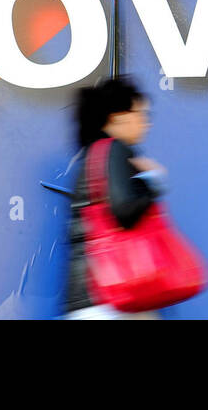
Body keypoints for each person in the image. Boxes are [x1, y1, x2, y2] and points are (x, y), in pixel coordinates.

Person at [62, 77, 168, 320]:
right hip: (114, 297)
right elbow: (124, 211)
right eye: (141, 114)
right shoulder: (115, 150)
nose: (146, 123)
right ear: (117, 116)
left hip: (90, 299)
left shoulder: (93, 156)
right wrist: (153, 181)